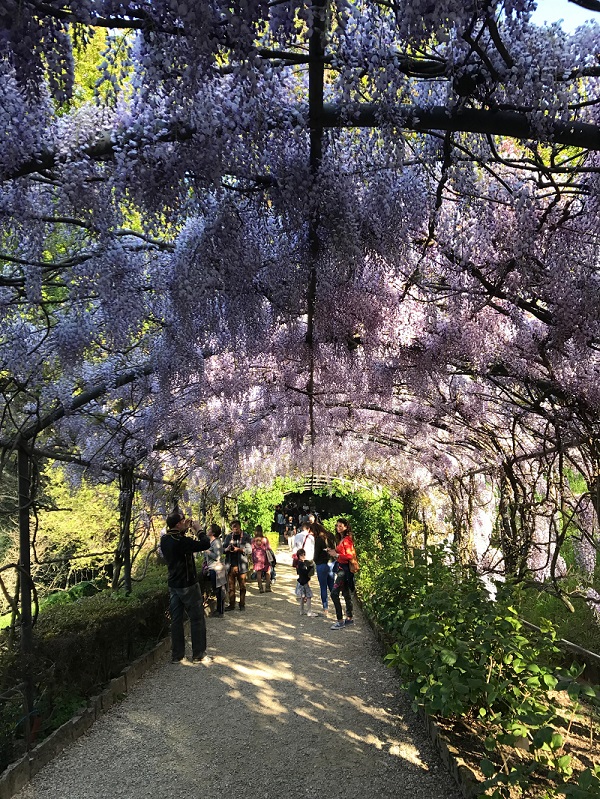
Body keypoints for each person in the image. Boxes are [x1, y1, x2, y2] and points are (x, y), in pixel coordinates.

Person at [160, 509, 211, 662]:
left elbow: (179, 541)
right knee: (197, 618)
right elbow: (204, 543)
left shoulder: (165, 539)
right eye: (183, 521)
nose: (186, 522)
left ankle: (177, 656)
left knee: (176, 621)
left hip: (173, 584)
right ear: (178, 524)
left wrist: (184, 529)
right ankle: (198, 654)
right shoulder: (181, 542)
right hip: (188, 584)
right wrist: (199, 530)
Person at [327, 518, 356, 630]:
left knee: (334, 593)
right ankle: (349, 617)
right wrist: (333, 552)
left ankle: (340, 620)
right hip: (341, 568)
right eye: (337, 526)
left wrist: (337, 555)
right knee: (345, 593)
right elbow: (342, 553)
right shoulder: (342, 539)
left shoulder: (347, 540)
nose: (338, 528)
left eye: (340, 526)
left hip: (344, 570)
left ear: (346, 527)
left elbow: (349, 556)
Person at [223, 519, 252, 611]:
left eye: (236, 527)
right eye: (233, 527)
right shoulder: (228, 537)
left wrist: (239, 549)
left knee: (242, 586)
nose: (234, 529)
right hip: (230, 565)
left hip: (241, 565)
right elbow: (223, 549)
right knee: (231, 587)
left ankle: (242, 604)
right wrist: (227, 549)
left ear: (240, 527)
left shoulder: (246, 536)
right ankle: (232, 604)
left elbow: (250, 550)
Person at [313, 521, 336, 617]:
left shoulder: (319, 539)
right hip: (331, 563)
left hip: (322, 564)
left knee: (323, 587)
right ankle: (337, 606)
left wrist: (315, 561)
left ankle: (325, 609)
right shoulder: (331, 535)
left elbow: (316, 554)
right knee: (332, 585)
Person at [204, 523, 227, 616]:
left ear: (212, 533)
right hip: (212, 568)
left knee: (218, 590)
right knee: (217, 590)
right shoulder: (212, 542)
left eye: (209, 529)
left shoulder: (216, 542)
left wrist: (207, 551)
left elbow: (217, 556)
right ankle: (219, 610)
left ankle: (220, 611)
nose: (208, 530)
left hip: (216, 569)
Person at [295, 549, 318, 616]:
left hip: (301, 581)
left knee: (302, 596)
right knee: (309, 596)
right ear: (299, 556)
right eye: (301, 555)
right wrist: (310, 568)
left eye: (304, 554)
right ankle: (309, 611)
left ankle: (301, 610)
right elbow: (305, 573)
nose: (303, 556)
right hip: (304, 582)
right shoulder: (302, 564)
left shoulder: (299, 563)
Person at [251, 525, 272, 594]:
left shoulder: (253, 540)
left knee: (258, 573)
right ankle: (268, 587)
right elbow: (268, 548)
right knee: (267, 571)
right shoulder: (264, 539)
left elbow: (251, 549)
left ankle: (260, 588)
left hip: (257, 557)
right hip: (265, 557)